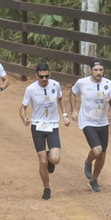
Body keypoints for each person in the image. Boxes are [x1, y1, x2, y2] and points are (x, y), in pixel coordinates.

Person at [19, 62, 71, 200]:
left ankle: (49, 157)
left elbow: (60, 98)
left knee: (55, 159)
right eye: (41, 76)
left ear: (50, 74)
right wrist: (24, 118)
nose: (44, 79)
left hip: (52, 125)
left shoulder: (55, 85)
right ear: (36, 75)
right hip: (37, 126)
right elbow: (23, 107)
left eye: (46, 76)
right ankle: (46, 188)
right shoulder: (30, 89)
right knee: (42, 162)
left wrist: (65, 115)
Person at [70, 58, 111, 192]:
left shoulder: (109, 84)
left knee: (102, 154)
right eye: (96, 70)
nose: (98, 73)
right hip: (87, 121)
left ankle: (94, 180)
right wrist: (73, 110)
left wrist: (109, 101)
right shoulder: (82, 82)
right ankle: (87, 162)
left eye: (101, 70)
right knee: (97, 150)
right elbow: (73, 92)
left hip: (102, 122)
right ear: (90, 70)